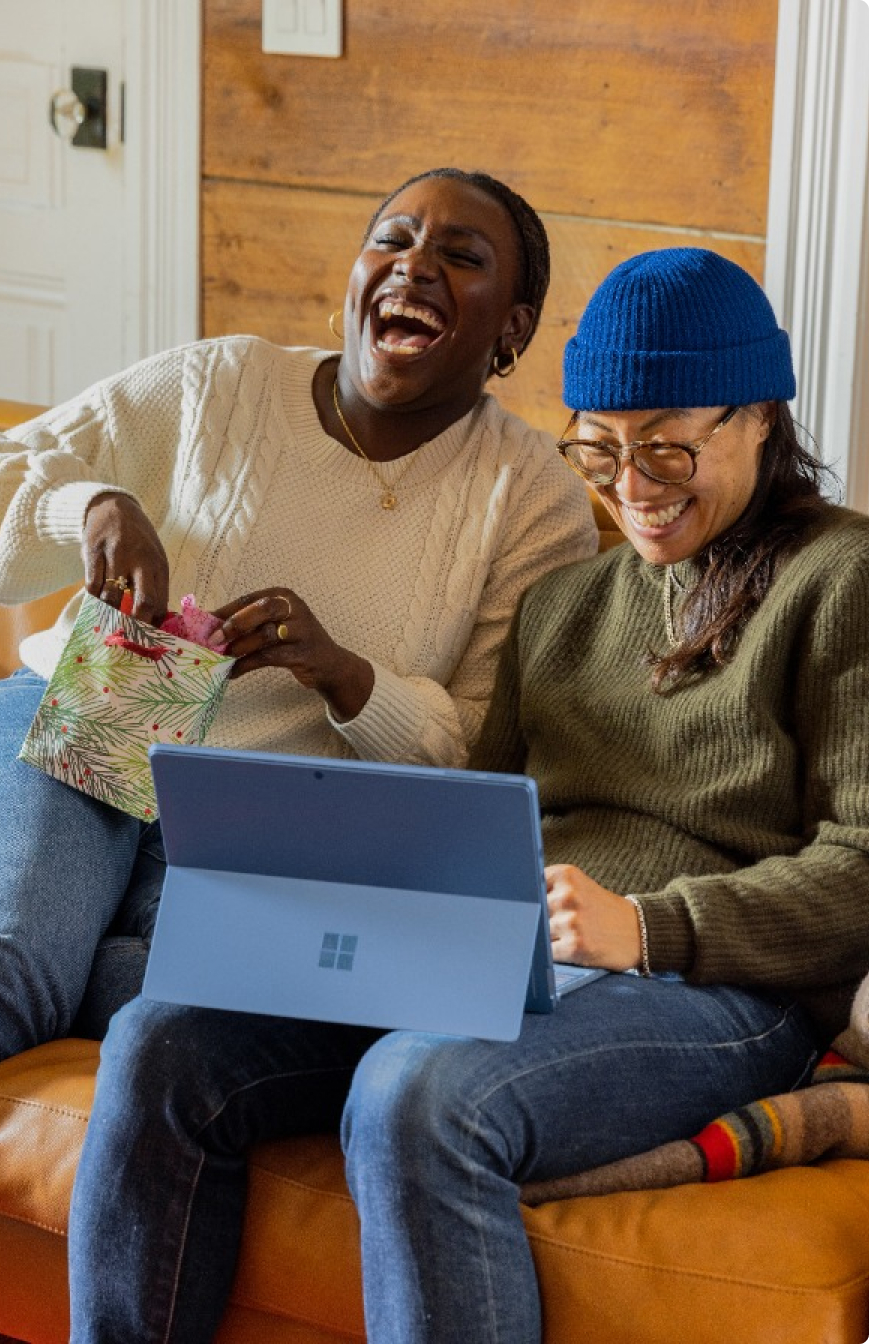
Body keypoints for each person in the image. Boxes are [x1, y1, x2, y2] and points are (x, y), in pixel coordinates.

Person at [0, 167, 597, 1326]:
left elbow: (482, 759)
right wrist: (91, 507)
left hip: (251, 834)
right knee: (0, 965)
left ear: (508, 330)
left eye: (460, 257)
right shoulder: (221, 385)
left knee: (238, 991)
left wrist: (345, 674)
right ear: (355, 277)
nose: (414, 266)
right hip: (70, 724)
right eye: (392, 240)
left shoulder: (533, 502)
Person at [338, 247, 869, 1343]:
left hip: (718, 991)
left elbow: (861, 866)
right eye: (598, 449)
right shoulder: (560, 609)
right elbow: (471, 831)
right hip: (518, 961)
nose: (630, 487)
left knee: (418, 1093)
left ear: (758, 418)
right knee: (171, 1022)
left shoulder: (841, 578)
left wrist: (651, 929)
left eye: (666, 446)